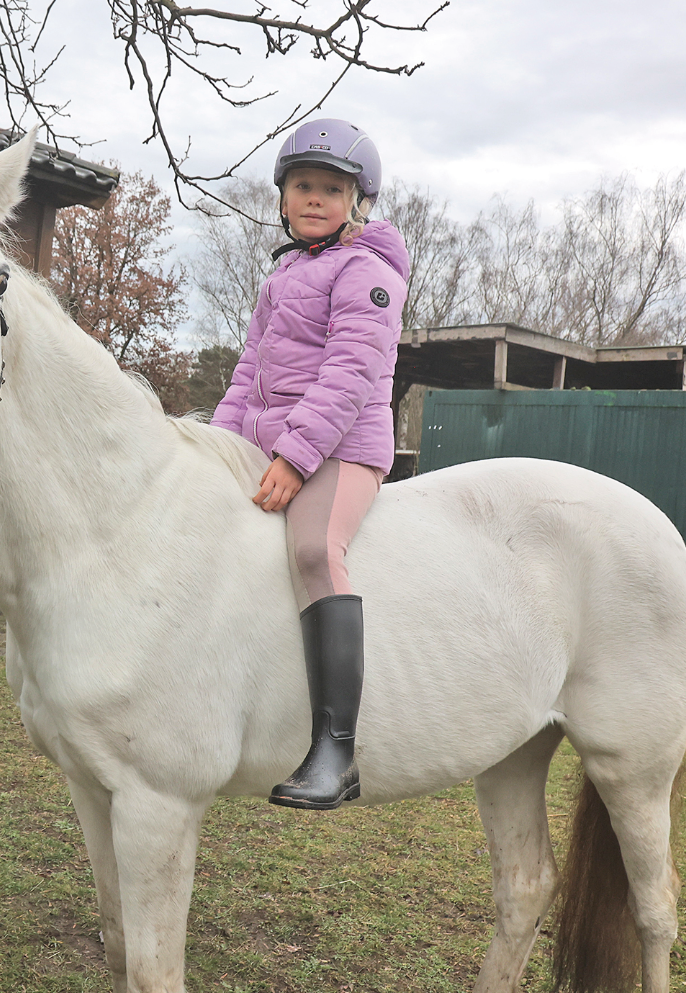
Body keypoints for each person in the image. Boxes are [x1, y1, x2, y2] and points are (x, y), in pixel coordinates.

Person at [211, 119, 409, 811]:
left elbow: (349, 374)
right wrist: (217, 448)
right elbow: (247, 373)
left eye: (332, 188)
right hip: (270, 445)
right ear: (283, 198)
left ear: (358, 202)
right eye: (303, 186)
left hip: (341, 448)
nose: (315, 198)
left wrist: (296, 457)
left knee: (311, 549)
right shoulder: (283, 274)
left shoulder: (369, 273)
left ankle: (335, 750)